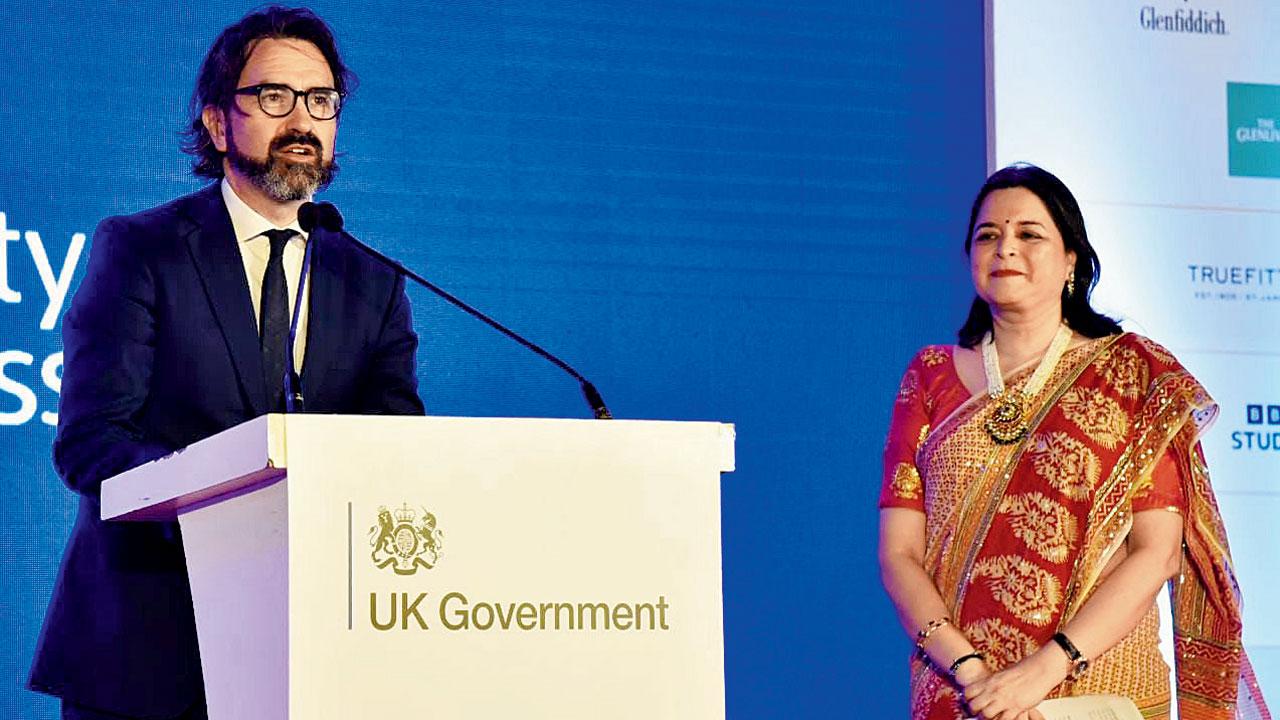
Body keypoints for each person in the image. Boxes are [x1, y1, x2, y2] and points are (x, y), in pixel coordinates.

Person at [29, 7, 424, 719]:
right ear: (217, 124)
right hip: (150, 651)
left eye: (321, 101)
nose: (301, 120)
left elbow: (391, 449)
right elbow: (92, 443)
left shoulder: (372, 280)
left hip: (316, 653)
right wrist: (234, 505)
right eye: (274, 97)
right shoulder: (142, 249)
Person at [877, 164, 1270, 720]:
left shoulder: (1133, 374)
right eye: (988, 235)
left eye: (1029, 234)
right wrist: (971, 670)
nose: (1005, 248)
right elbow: (899, 554)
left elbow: (1156, 552)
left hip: (1098, 685)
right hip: (963, 694)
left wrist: (1042, 672)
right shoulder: (930, 375)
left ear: (1071, 262)